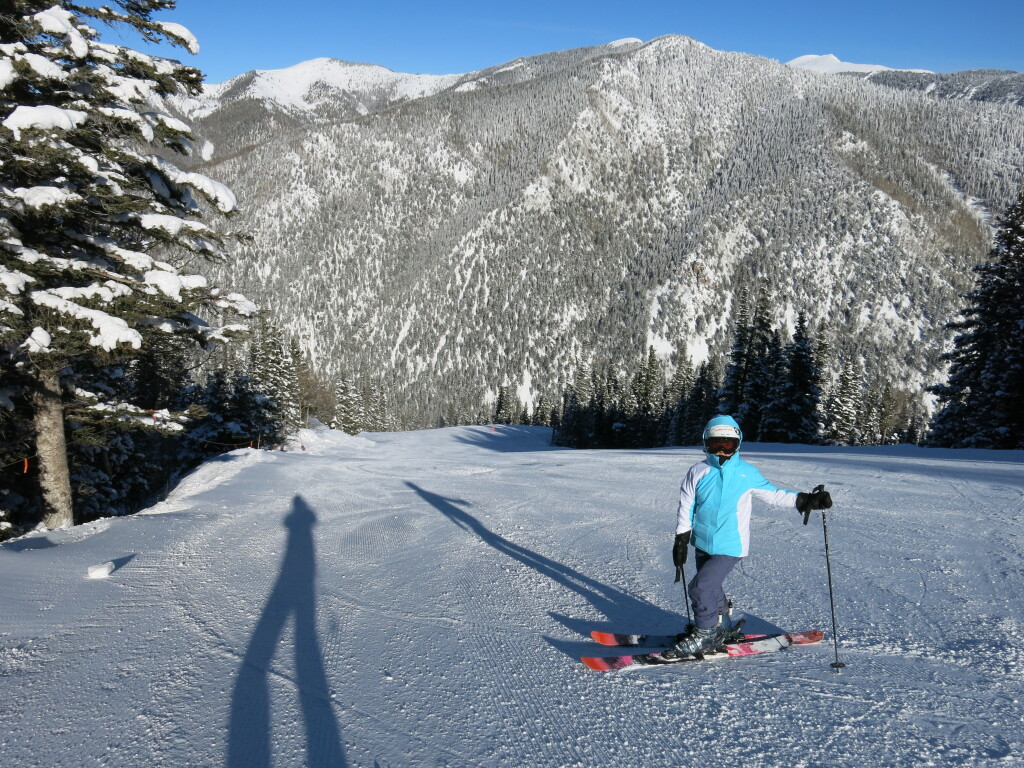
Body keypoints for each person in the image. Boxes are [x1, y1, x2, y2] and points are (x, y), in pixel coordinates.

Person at [658, 414, 832, 661]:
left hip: (731, 545)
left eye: (727, 444)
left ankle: (706, 633)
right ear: (705, 443)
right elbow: (686, 506)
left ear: (737, 444)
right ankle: (722, 626)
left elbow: (774, 495)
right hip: (703, 542)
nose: (721, 449)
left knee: (701, 586)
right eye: (715, 444)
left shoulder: (746, 473)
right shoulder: (698, 471)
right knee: (712, 586)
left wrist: (806, 500)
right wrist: (681, 539)